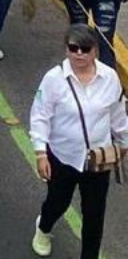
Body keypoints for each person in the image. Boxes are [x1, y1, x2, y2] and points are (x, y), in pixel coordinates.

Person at [29, 24, 128, 259]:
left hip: (97, 160)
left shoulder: (110, 78)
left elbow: (117, 114)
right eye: (74, 48)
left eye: (85, 48)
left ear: (95, 50)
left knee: (94, 215)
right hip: (62, 157)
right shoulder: (54, 80)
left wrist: (124, 142)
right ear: (66, 50)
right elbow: (40, 115)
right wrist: (41, 153)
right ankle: (44, 227)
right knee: (57, 202)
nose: (79, 54)